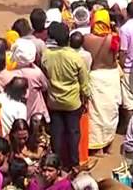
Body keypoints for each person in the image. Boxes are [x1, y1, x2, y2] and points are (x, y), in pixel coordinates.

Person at [39, 23, 89, 170]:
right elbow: (84, 83)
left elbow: (45, 76)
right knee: (73, 134)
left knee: (56, 134)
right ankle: (74, 164)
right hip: (73, 103)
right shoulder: (75, 57)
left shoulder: (46, 56)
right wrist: (86, 98)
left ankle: (56, 165)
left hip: (54, 102)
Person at [82, 9, 120, 153]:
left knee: (96, 114)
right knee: (111, 111)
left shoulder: (86, 39)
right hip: (110, 77)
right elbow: (115, 56)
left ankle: (97, 148)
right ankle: (109, 144)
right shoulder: (114, 38)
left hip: (95, 77)